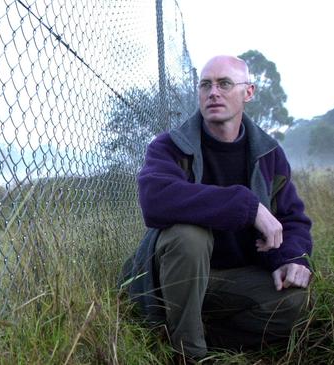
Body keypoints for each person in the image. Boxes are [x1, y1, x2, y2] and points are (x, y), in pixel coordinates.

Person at [122, 55, 312, 361]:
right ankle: (190, 354)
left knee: (293, 299)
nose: (213, 92)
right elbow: (154, 200)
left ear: (248, 93)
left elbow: (292, 219)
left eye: (224, 84)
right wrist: (246, 205)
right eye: (205, 84)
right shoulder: (171, 146)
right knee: (189, 235)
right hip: (172, 278)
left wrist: (291, 258)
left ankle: (200, 334)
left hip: (229, 278)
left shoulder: (269, 154)